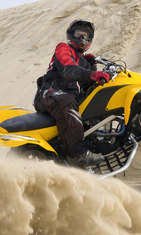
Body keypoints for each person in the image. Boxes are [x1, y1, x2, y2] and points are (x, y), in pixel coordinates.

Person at [33, 19, 110, 167]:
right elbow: (68, 69)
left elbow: (87, 82)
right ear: (70, 35)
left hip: (70, 99)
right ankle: (77, 155)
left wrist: (93, 67)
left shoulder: (86, 61)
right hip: (49, 94)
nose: (82, 39)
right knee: (66, 100)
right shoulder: (63, 48)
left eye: (86, 36)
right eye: (79, 34)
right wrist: (93, 74)